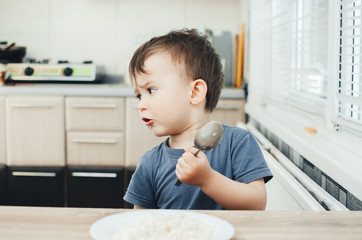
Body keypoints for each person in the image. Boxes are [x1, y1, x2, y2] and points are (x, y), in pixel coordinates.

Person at [123, 29, 272, 210]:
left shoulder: (238, 143)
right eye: (139, 96)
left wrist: (207, 179)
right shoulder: (149, 163)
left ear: (195, 92)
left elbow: (257, 204)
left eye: (151, 90)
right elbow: (142, 223)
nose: (141, 105)